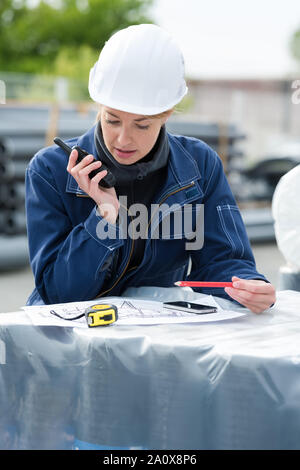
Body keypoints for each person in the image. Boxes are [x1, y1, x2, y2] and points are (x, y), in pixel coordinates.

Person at [25, 23, 276, 313]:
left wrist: (248, 285)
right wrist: (105, 217)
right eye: (112, 120)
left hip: (158, 336)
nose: (123, 139)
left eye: (142, 125)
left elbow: (223, 260)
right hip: (71, 341)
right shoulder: (51, 171)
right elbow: (58, 294)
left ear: (166, 115)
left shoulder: (199, 166)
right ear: (99, 107)